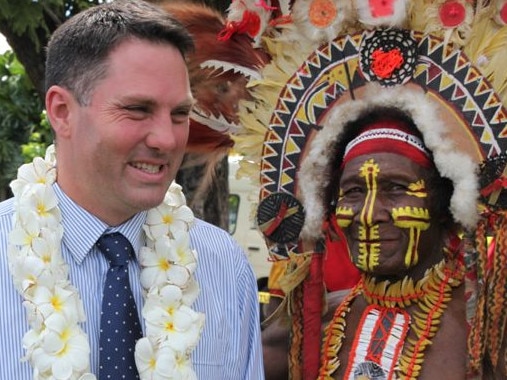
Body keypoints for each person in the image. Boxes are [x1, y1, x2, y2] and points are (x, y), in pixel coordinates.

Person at [219, 0, 507, 378]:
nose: (369, 214)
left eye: (396, 188)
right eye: (353, 192)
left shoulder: (488, 336)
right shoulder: (303, 332)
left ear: (446, 201)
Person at [0, 1, 264, 379]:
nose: (166, 139)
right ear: (61, 112)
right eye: (138, 109)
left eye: (179, 114)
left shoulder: (222, 265)